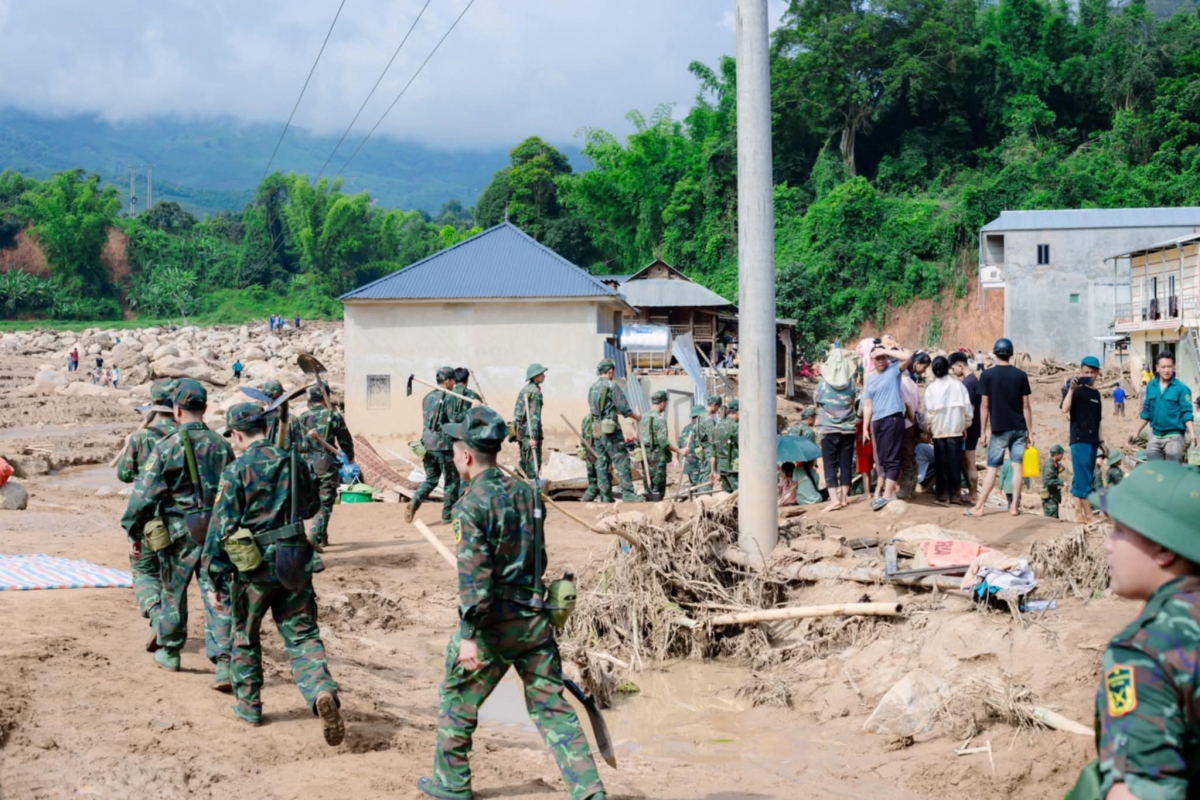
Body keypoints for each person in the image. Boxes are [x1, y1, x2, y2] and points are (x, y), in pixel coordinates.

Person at [416, 407, 605, 800]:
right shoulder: (528, 493)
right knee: (554, 712)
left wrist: (469, 634)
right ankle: (589, 792)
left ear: (466, 456)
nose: (453, 457)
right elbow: (542, 558)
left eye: (454, 451)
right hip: (536, 622)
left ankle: (451, 785)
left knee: (457, 700)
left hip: (492, 625)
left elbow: (475, 578)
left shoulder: (470, 506)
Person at [204, 403, 344, 742]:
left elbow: (221, 527)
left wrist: (216, 575)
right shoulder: (294, 461)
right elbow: (312, 506)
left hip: (253, 566)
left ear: (237, 434)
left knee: (245, 634)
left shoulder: (237, 471)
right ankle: (321, 690)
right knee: (302, 634)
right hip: (294, 560)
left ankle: (249, 706)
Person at [1066, 462, 1200, 800]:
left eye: (1120, 531)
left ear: (1165, 548)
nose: (1109, 545)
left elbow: (1140, 792)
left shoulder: (1144, 651)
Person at [120, 379, 234, 680]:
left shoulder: (166, 447)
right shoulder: (222, 445)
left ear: (176, 410)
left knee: (172, 591)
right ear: (205, 409)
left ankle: (170, 651)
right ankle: (224, 662)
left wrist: (133, 528)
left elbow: (144, 496)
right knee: (218, 593)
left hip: (179, 531)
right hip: (216, 531)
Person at [115, 379, 179, 650]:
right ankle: (172, 621)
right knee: (174, 575)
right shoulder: (186, 435)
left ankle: (156, 613)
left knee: (143, 571)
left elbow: (124, 474)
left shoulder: (141, 437)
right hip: (181, 517)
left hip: (147, 515)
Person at [966, 338, 1034, 518]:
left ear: (995, 354)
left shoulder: (987, 375)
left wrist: (982, 431)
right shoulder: (1021, 375)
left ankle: (979, 507)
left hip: (999, 430)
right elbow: (1026, 406)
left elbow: (984, 406)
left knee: (992, 468)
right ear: (1011, 354)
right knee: (1017, 466)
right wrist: (1030, 432)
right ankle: (1014, 508)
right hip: (1019, 429)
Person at [295, 384, 355, 549]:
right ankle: (314, 536)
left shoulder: (301, 418)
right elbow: (345, 440)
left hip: (306, 464)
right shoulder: (333, 416)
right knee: (325, 502)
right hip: (325, 463)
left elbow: (299, 443)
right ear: (325, 397)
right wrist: (349, 456)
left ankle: (322, 536)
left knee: (312, 500)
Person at [862, 345, 915, 510]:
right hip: (877, 420)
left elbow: (908, 355)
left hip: (892, 418)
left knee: (891, 457)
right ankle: (889, 493)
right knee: (883, 458)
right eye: (877, 358)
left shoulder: (893, 370)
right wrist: (865, 427)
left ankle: (887, 494)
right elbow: (868, 404)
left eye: (883, 358)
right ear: (872, 360)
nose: (881, 361)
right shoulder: (870, 378)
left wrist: (886, 352)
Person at [407, 368, 462, 524]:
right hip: (444, 445)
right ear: (447, 381)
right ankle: (447, 515)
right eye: (453, 380)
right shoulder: (450, 397)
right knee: (451, 481)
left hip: (427, 444)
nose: (454, 384)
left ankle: (415, 501)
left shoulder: (427, 398)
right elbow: (452, 421)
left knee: (431, 479)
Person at [587, 359, 641, 502]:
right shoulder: (612, 386)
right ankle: (628, 493)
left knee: (601, 460)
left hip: (596, 428)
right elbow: (625, 409)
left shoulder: (592, 387)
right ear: (610, 370)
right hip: (610, 429)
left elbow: (597, 409)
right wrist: (637, 417)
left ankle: (606, 495)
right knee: (621, 458)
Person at [923, 355, 972, 506]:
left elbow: (928, 413)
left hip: (938, 430)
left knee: (941, 463)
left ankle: (943, 495)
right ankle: (955, 495)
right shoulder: (958, 386)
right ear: (947, 369)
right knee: (954, 462)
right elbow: (967, 408)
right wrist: (965, 426)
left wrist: (929, 429)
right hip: (956, 429)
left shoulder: (931, 389)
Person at [1061, 355, 1105, 522]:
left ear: (1098, 373)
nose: (1090, 375)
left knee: (1083, 476)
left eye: (1093, 372)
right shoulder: (1075, 391)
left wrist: (1102, 442)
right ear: (1080, 372)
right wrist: (1071, 389)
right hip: (1079, 439)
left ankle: (1079, 514)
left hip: (1092, 439)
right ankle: (1088, 514)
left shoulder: (1097, 394)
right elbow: (1065, 409)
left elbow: (1098, 420)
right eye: (1086, 372)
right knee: (1084, 477)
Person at [1130, 351, 1196, 463]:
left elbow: (1187, 413)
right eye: (1163, 367)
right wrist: (1136, 431)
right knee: (1155, 472)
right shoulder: (1151, 386)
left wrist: (1192, 433)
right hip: (1155, 436)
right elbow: (1146, 412)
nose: (1166, 370)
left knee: (1171, 473)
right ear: (1157, 368)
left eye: (1169, 366)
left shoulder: (1181, 388)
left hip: (1174, 437)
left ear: (1174, 367)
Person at [816, 347, 858, 512]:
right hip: (848, 430)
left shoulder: (822, 387)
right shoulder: (851, 386)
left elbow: (817, 402)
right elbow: (856, 402)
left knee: (830, 465)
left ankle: (834, 499)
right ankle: (844, 498)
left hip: (828, 430)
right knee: (846, 464)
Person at [949, 352, 982, 504]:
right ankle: (971, 492)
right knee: (966, 459)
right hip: (971, 426)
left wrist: (963, 427)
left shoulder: (968, 383)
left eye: (953, 368)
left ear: (960, 366)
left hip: (969, 428)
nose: (952, 372)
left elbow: (971, 409)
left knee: (969, 460)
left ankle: (973, 494)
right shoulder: (973, 380)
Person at [639, 390, 680, 499]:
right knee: (658, 491)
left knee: (648, 488)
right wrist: (679, 451)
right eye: (665, 403)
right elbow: (663, 443)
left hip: (645, 457)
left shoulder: (643, 417)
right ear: (662, 403)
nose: (665, 406)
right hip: (657, 459)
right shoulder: (660, 419)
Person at [513, 364, 546, 479]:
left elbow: (517, 413)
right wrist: (534, 437)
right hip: (529, 433)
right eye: (541, 374)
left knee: (524, 463)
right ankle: (532, 494)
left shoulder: (525, 390)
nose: (544, 376)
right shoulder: (536, 393)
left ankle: (514, 484)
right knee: (532, 468)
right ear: (535, 376)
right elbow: (534, 417)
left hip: (522, 433)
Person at [710, 399, 740, 492]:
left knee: (727, 497)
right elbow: (743, 447)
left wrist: (713, 470)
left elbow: (713, 452)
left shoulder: (717, 427)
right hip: (734, 469)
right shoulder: (736, 427)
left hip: (722, 469)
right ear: (738, 412)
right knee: (740, 496)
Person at [679, 405, 709, 491]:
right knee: (700, 486)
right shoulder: (700, 427)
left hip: (687, 462)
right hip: (697, 462)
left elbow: (680, 443)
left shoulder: (686, 428)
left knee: (693, 484)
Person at [1039, 444, 1065, 519]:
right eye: (1061, 454)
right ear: (1057, 454)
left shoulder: (1054, 464)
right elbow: (1048, 480)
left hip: (1053, 496)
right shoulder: (1049, 465)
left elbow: (1061, 468)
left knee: (1054, 517)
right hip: (1049, 498)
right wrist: (1062, 483)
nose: (1062, 456)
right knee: (1051, 519)